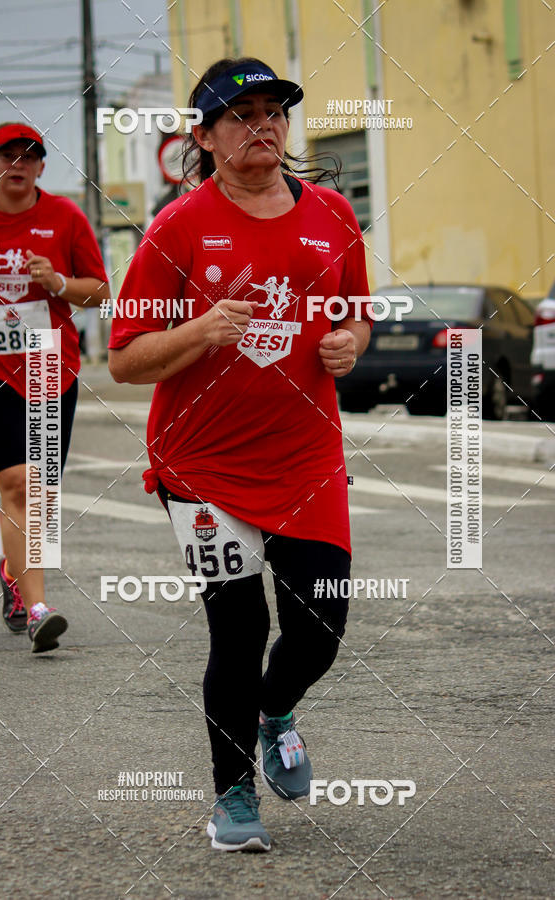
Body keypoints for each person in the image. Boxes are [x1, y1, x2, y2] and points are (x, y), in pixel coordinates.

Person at [108, 57, 372, 851]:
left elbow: (357, 315)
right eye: (240, 114)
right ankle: (233, 799)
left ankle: (274, 709)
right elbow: (124, 358)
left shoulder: (332, 213)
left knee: (321, 623)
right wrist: (199, 331)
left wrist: (350, 344)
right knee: (237, 623)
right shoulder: (177, 228)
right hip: (202, 468)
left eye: (274, 112)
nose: (262, 125)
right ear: (207, 136)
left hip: (305, 459)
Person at [0, 122, 109, 652]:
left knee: (39, 493)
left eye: (29, 156)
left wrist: (59, 284)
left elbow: (100, 293)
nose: (17, 164)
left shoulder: (65, 217)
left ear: (42, 166)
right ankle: (40, 605)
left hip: (49, 363)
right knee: (18, 486)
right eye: (7, 155)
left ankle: (14, 574)